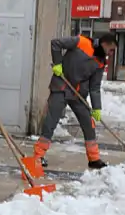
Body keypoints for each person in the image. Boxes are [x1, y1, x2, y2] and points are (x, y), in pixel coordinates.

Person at [33, 33, 118, 170]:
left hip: (78, 93)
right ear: (105, 44)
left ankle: (94, 158)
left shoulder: (101, 62)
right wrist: (58, 63)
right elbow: (56, 43)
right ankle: (38, 155)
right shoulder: (81, 42)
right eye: (111, 49)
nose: (111, 53)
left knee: (88, 123)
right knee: (51, 121)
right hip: (61, 86)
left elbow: (94, 87)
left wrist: (97, 107)